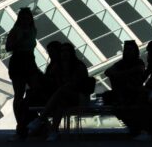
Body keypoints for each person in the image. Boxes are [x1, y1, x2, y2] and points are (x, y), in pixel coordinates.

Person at [28, 42, 92, 141]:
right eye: (62, 51)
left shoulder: (79, 66)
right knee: (61, 103)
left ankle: (41, 121)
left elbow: (75, 85)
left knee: (62, 92)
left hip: (79, 97)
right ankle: (53, 131)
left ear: (72, 53)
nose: (64, 53)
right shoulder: (58, 67)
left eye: (67, 51)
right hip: (65, 98)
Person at [6, 8, 39, 141]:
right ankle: (21, 125)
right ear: (20, 19)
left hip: (30, 61)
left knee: (35, 90)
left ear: (31, 19)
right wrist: (19, 40)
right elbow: (8, 47)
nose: (26, 21)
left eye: (28, 18)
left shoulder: (33, 30)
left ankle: (30, 119)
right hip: (19, 62)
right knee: (19, 94)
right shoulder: (15, 31)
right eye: (23, 18)